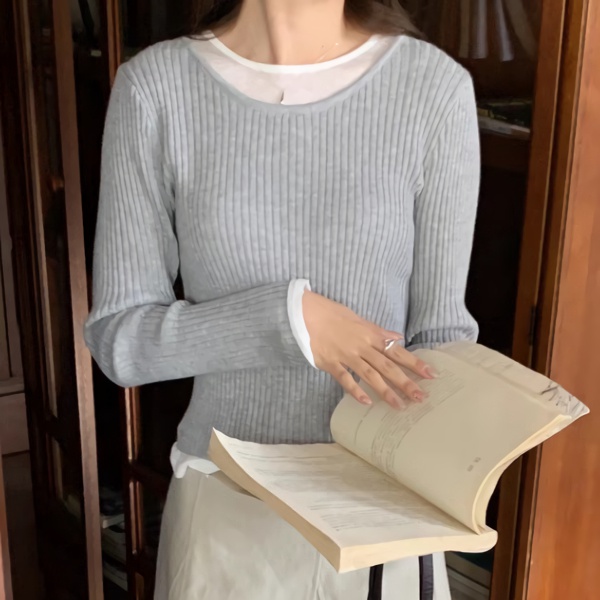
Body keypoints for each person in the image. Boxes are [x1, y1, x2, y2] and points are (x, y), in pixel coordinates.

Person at [85, 0, 480, 597]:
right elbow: (122, 338)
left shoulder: (434, 88)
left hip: (381, 519)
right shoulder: (156, 88)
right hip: (225, 511)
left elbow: (443, 344)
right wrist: (289, 320)